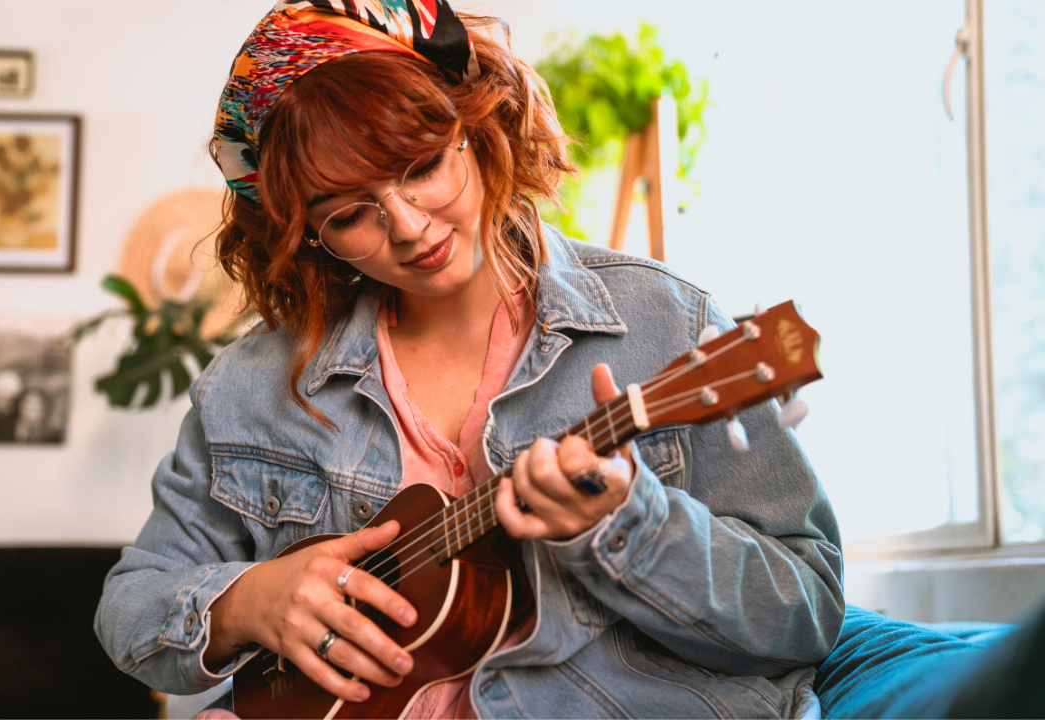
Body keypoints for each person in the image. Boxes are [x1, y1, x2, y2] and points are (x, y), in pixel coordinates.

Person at [95, 2, 844, 717]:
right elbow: (131, 606)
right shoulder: (252, 387)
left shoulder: (662, 323)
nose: (410, 226)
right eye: (350, 215)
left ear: (478, 127)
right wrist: (247, 602)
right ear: (304, 233)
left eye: (421, 167)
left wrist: (630, 524)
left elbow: (803, 615)